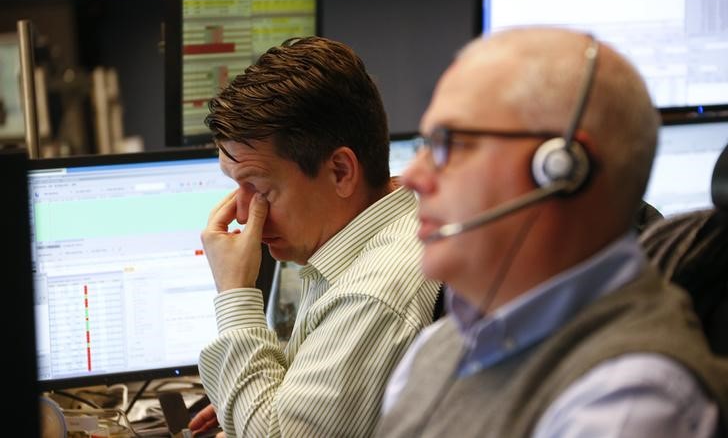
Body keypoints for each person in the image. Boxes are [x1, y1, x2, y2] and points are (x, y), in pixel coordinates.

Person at [375, 28, 728, 437]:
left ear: (561, 169)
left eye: (449, 143)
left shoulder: (627, 399)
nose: (413, 175)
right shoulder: (438, 347)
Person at [191, 36, 440, 437]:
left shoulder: (373, 292)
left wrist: (236, 292)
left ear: (340, 171)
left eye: (260, 188)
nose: (243, 212)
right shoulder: (367, 237)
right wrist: (250, 405)